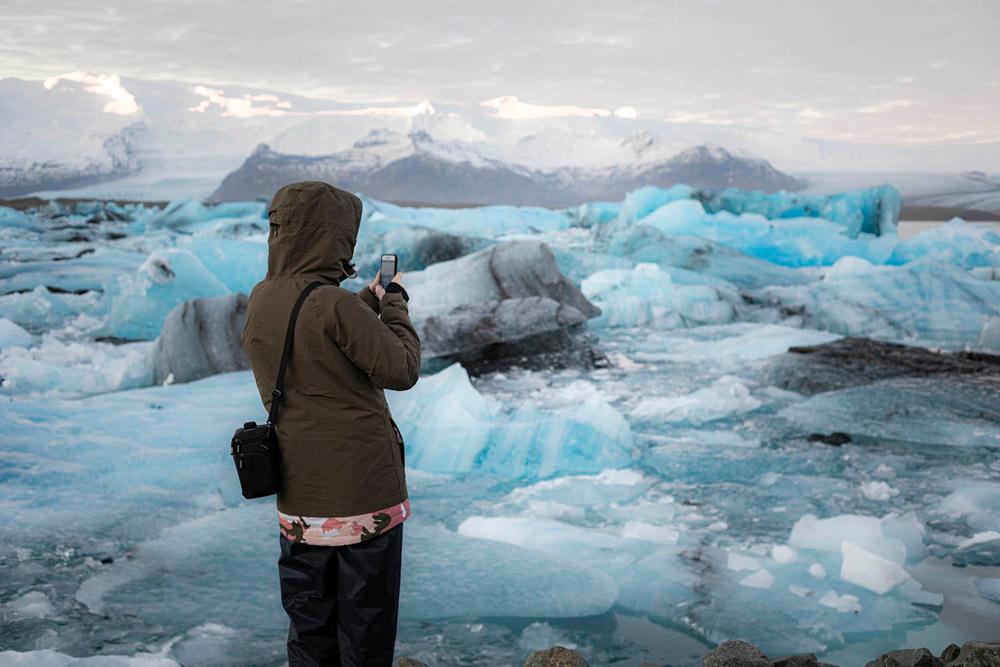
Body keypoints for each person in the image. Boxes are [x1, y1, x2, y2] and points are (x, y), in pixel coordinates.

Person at [241, 181, 421, 667]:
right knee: (365, 629)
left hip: (301, 502)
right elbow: (402, 369)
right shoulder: (331, 304)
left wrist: (362, 299)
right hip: (363, 499)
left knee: (310, 627)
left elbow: (316, 333)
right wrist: (394, 303)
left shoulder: (262, 298)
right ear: (332, 237)